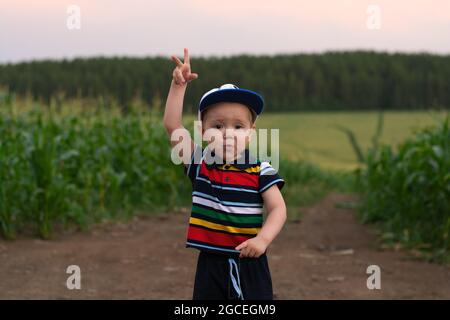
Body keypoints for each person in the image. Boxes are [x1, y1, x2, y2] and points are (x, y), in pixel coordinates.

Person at [163, 48, 287, 300]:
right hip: (210, 263)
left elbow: (278, 209)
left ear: (251, 133)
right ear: (202, 131)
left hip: (249, 261)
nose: (228, 133)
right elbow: (173, 126)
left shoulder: (260, 170)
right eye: (218, 126)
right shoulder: (200, 164)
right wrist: (179, 86)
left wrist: (262, 240)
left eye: (238, 126)